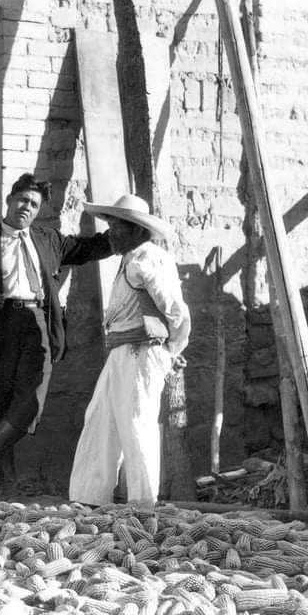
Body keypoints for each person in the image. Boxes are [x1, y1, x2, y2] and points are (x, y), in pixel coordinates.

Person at [0, 173, 114, 498]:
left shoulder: (48, 238)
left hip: (36, 324)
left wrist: (123, 232)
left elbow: (87, 249)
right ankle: (8, 484)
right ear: (10, 200)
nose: (27, 207)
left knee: (30, 403)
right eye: (23, 200)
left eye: (34, 204)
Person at [68, 194, 191, 507]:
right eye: (109, 225)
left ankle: (142, 502)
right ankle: (90, 497)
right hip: (121, 350)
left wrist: (171, 350)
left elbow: (177, 313)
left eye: (117, 227)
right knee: (101, 418)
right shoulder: (130, 259)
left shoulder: (149, 259)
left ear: (138, 230)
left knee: (137, 423)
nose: (110, 233)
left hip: (142, 351)